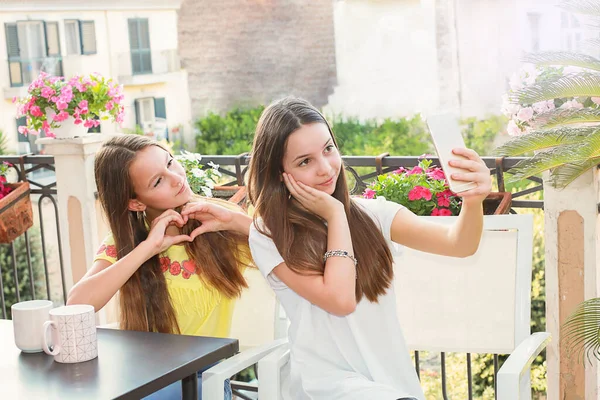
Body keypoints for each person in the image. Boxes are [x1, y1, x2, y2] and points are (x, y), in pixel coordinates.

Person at [246, 97, 492, 400]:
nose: (326, 169)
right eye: (305, 161)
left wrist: (473, 199)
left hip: (389, 381)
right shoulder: (268, 235)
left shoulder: (374, 215)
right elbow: (340, 300)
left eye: (328, 149)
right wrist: (336, 215)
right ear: (277, 174)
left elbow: (460, 245)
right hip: (325, 386)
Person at [67, 135, 252, 399]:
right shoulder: (128, 242)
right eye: (158, 181)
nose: (177, 177)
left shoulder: (220, 220)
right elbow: (76, 305)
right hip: (142, 376)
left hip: (201, 379)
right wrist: (147, 249)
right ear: (136, 202)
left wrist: (236, 220)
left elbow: (293, 254)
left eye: (171, 162)